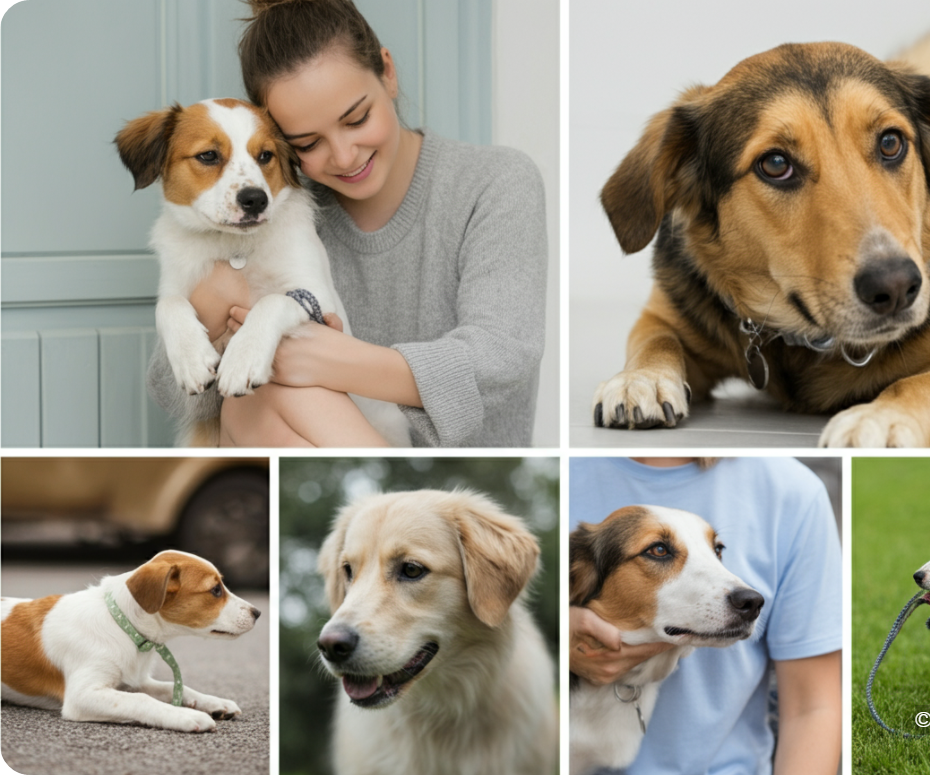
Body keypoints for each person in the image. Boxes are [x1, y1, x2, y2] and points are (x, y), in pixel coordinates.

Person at [147, 0, 548, 447]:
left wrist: (332, 360)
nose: (343, 156)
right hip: (297, 450)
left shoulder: (495, 181)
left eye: (357, 118)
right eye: (307, 142)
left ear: (388, 73)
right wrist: (209, 302)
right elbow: (173, 388)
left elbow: (503, 356)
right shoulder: (272, 207)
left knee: (265, 396)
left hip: (458, 466)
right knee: (251, 400)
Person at [569, 457, 842, 775]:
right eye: (659, 551)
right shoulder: (573, 469)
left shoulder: (793, 488)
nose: (748, 598)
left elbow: (814, 707)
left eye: (716, 550)